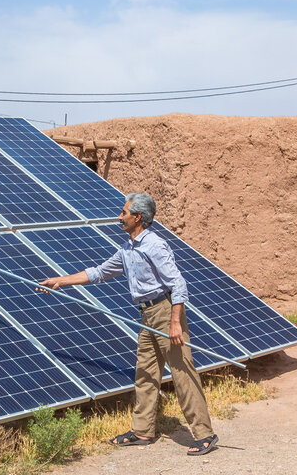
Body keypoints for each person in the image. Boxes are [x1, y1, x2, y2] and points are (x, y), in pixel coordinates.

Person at [39, 193, 218, 455]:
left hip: (166, 312)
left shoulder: (154, 246)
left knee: (182, 372)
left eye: (123, 213)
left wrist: (176, 324)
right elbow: (99, 272)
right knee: (145, 373)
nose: (119, 217)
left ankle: (205, 435)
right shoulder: (128, 248)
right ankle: (143, 431)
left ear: (138, 217)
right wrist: (60, 281)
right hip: (147, 315)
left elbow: (178, 284)